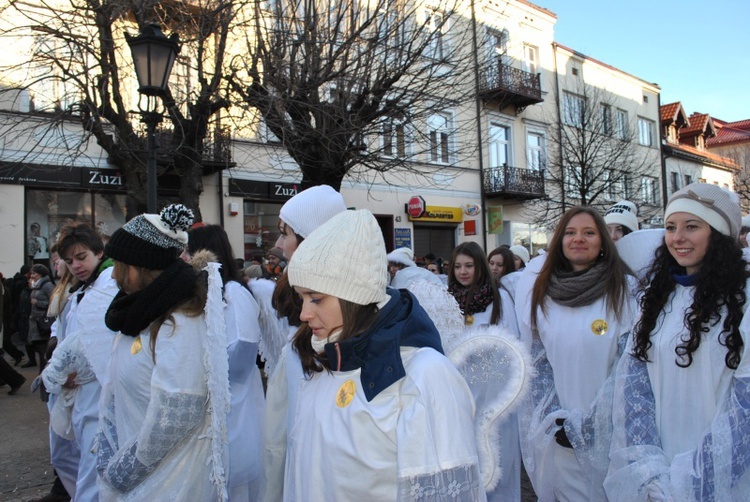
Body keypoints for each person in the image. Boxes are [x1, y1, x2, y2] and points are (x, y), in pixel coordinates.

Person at [266, 209, 484, 501]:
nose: (304, 314)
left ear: (353, 295)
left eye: (316, 298)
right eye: (302, 298)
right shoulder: (324, 363)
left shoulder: (424, 375)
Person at [606, 183, 750, 501]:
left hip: (727, 482)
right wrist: (652, 475)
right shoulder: (657, 299)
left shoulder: (744, 299)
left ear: (719, 233)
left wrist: (693, 482)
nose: (677, 237)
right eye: (671, 227)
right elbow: (634, 393)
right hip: (661, 480)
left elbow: (745, 412)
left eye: (692, 226)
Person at [96, 204, 230, 500]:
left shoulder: (179, 322)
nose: (114, 275)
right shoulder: (140, 313)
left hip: (171, 483)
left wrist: (120, 472)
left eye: (119, 264)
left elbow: (175, 417)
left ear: (139, 266)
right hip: (142, 476)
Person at [515, 206, 637, 501]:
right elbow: (540, 363)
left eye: (589, 232)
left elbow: (628, 367)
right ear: (559, 241)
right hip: (562, 436)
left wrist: (593, 422)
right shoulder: (543, 295)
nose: (578, 239)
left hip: (612, 435)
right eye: (570, 233)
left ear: (603, 242)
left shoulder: (625, 290)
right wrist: (556, 418)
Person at [182, 224, 265, 501]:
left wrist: (203, 373)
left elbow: (241, 351)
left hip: (234, 400)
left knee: (234, 476)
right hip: (213, 400)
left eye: (187, 250)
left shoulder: (233, 293)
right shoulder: (206, 292)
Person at [41, 222, 118, 500]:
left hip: (97, 393)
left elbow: (105, 339)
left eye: (81, 257)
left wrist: (76, 371)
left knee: (93, 468)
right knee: (71, 457)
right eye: (70, 260)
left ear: (99, 252)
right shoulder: (83, 289)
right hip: (78, 394)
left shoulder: (109, 284)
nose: (75, 265)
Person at [447, 241, 521, 500]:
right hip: (462, 393)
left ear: (480, 266)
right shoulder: (447, 299)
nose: (463, 271)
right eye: (457, 266)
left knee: (496, 456)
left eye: (469, 265)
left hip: (493, 392)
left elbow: (510, 342)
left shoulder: (497, 299)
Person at [27, 264, 55, 372]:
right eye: (31, 273)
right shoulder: (36, 285)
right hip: (36, 322)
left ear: (41, 274)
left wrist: (38, 302)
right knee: (38, 347)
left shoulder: (47, 285)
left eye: (34, 273)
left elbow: (53, 302)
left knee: (42, 348)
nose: (32, 276)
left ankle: (44, 373)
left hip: (43, 322)